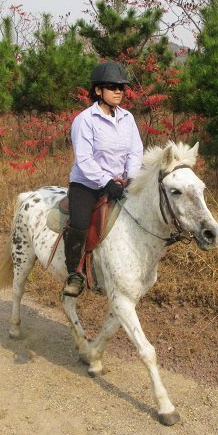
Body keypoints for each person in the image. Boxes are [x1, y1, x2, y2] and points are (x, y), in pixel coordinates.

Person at [62, 61, 144, 297]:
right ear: (98, 90)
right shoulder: (85, 120)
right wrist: (106, 182)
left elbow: (135, 151)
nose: (119, 91)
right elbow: (85, 160)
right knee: (79, 222)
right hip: (87, 184)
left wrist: (129, 178)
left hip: (119, 184)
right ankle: (74, 274)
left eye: (122, 87)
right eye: (113, 86)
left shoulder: (128, 118)